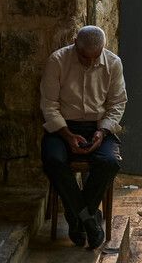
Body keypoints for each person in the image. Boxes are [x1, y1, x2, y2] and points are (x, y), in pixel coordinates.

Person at [40, 26, 127, 249]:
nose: (89, 63)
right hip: (63, 128)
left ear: (103, 49)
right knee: (53, 160)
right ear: (74, 43)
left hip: (98, 127)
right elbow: (49, 105)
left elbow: (117, 103)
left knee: (110, 162)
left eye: (94, 58)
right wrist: (67, 135)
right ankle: (89, 219)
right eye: (83, 57)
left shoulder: (113, 63)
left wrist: (103, 131)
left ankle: (77, 216)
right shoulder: (58, 61)